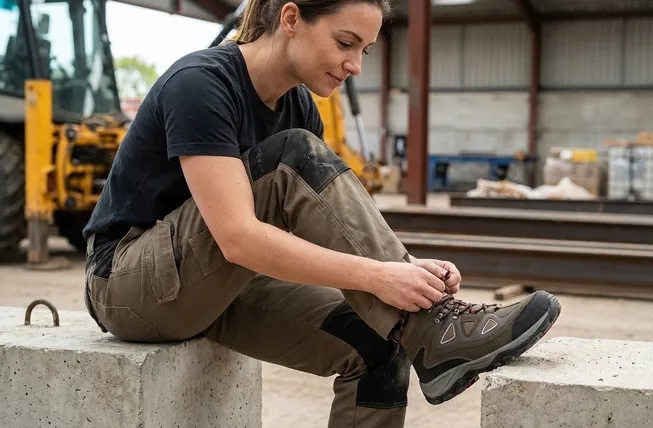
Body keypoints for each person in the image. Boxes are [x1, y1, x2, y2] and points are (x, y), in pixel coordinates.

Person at [82, 0, 561, 425]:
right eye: (345, 43)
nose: (354, 65)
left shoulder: (299, 107)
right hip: (128, 285)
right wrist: (379, 276)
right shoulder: (201, 85)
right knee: (293, 156)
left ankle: (427, 328)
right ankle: (436, 327)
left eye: (364, 51)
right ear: (291, 18)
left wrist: (406, 273)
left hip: (220, 286)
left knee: (383, 344)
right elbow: (238, 238)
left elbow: (328, 228)